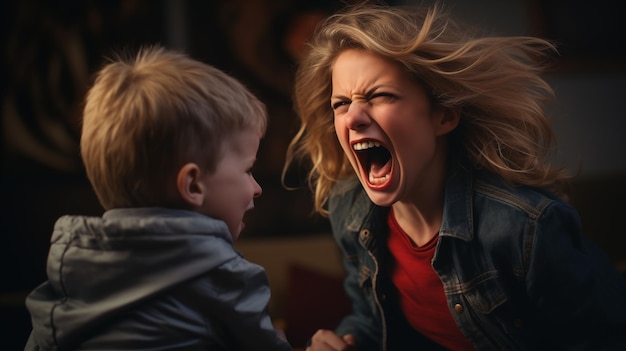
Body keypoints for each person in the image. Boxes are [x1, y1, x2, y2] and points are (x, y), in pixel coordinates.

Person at [283, 3, 626, 350]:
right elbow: (372, 317)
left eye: (380, 96)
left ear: (444, 117)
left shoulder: (526, 229)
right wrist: (345, 341)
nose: (352, 117)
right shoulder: (349, 207)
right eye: (340, 103)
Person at [24, 45, 292, 351]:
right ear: (192, 185)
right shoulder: (223, 276)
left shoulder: (69, 272)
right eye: (248, 170)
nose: (256, 187)